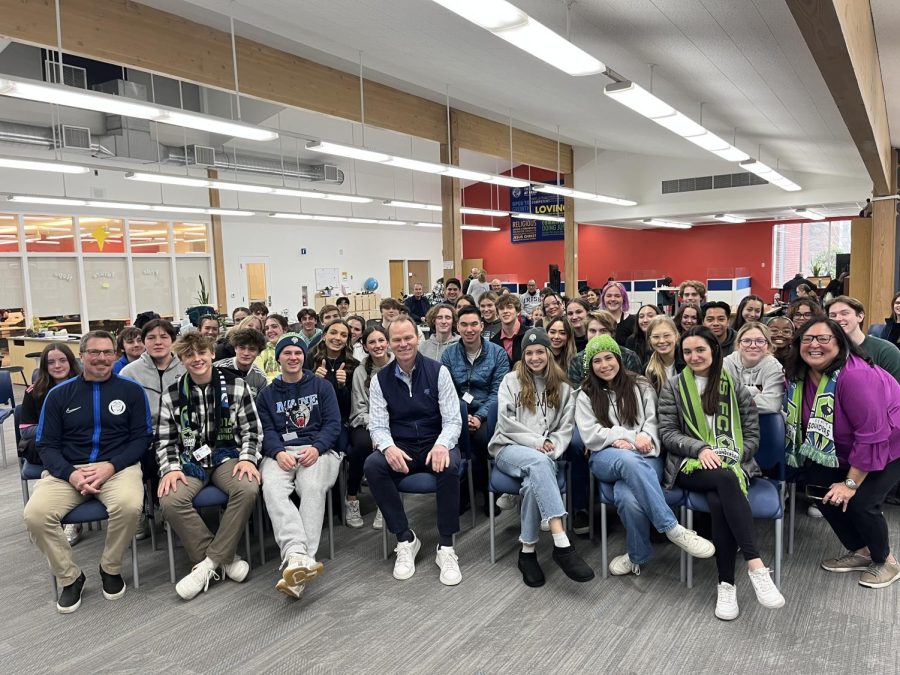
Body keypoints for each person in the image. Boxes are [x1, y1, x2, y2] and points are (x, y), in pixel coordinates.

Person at [658, 326, 785, 620]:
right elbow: (667, 433)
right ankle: (755, 563)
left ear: (714, 351)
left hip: (732, 465)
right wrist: (701, 448)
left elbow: (752, 435)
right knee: (725, 480)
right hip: (689, 465)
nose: (693, 356)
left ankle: (726, 585)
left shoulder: (735, 386)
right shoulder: (674, 387)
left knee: (720, 496)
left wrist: (733, 455)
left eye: (700, 349)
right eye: (687, 351)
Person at [24, 331, 151, 613]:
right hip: (68, 470)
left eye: (108, 352)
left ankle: (110, 567)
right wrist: (71, 474)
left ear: (115, 356)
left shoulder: (131, 391)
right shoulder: (59, 395)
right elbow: (46, 444)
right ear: (81, 355)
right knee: (35, 515)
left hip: (117, 466)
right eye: (94, 352)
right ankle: (70, 577)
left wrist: (111, 466)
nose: (102, 358)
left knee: (130, 506)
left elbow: (142, 439)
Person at [577, 335, 714, 577]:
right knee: (627, 460)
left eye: (609, 357)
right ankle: (671, 527)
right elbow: (590, 434)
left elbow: (654, 422)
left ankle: (636, 557)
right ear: (591, 367)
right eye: (597, 361)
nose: (604, 365)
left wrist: (643, 439)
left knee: (627, 496)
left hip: (646, 453)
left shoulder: (640, 385)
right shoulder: (585, 393)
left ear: (618, 358)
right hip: (605, 457)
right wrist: (628, 437)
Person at [784, 318, 900, 588]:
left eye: (823, 339)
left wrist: (849, 483)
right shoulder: (797, 375)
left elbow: (871, 435)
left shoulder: (855, 375)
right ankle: (861, 551)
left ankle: (886, 561)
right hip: (844, 447)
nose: (814, 345)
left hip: (889, 442)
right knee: (817, 487)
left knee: (861, 501)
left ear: (840, 342)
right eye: (807, 339)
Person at [155, 333, 261, 601]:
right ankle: (221, 559)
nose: (197, 359)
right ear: (181, 359)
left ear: (212, 353)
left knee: (248, 488)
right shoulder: (172, 394)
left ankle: (206, 566)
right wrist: (170, 469)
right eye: (189, 355)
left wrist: (248, 458)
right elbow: (164, 440)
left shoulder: (237, 385)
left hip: (228, 456)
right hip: (189, 462)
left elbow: (252, 430)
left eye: (202, 352)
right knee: (170, 500)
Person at [489, 328, 594, 587]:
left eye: (539, 352)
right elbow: (505, 423)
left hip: (546, 456)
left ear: (548, 353)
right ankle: (561, 543)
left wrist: (552, 448)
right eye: (529, 353)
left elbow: (566, 428)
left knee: (532, 480)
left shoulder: (564, 388)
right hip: (508, 449)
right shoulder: (510, 381)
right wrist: (538, 443)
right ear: (522, 356)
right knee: (539, 463)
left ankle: (527, 552)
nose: (534, 357)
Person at [364, 316, 464, 585]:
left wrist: (443, 444)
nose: (403, 343)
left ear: (417, 338)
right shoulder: (379, 380)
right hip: (403, 445)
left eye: (408, 337)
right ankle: (405, 539)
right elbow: (377, 424)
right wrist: (388, 447)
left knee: (450, 465)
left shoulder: (438, 371)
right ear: (389, 345)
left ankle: (446, 546)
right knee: (373, 465)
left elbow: (453, 419)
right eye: (396, 339)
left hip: (435, 440)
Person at [256, 332, 342, 599]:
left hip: (319, 450)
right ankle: (296, 554)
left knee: (311, 486)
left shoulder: (321, 387)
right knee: (271, 487)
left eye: (298, 353)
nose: (293, 357)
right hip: (281, 452)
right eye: (287, 353)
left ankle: (301, 559)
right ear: (278, 357)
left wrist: (317, 448)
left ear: (304, 357)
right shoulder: (267, 394)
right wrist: (277, 451)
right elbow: (266, 430)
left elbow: (333, 424)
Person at [442, 306, 510, 509]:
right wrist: (462, 417)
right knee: (458, 440)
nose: (469, 329)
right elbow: (446, 391)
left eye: (474, 324)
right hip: (457, 412)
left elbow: (498, 392)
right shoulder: (449, 355)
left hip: (488, 412)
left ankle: (490, 491)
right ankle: (464, 491)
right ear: (457, 327)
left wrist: (479, 417)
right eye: (464, 324)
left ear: (482, 326)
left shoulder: (497, 353)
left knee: (481, 439)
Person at [18, 343, 83, 543]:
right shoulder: (34, 392)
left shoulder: (86, 385)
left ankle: (64, 514)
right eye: (51, 362)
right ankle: (58, 515)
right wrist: (55, 430)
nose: (57, 365)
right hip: (47, 445)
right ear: (44, 366)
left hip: (80, 444)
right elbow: (25, 430)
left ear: (70, 362)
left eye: (62, 360)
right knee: (58, 454)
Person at [346, 326, 393, 529]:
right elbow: (359, 407)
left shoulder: (399, 365)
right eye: (372, 342)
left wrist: (384, 429)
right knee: (363, 445)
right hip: (365, 421)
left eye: (381, 340)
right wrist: (376, 428)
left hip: (394, 422)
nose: (377, 345)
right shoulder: (360, 371)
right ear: (365, 346)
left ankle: (385, 503)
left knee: (390, 447)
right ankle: (351, 497)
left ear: (388, 342)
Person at [121, 318, 185, 425]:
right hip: (144, 434)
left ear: (173, 341)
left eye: (164, 337)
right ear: (144, 342)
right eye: (151, 338)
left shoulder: (186, 367)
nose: (158, 342)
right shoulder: (129, 373)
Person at [826, 296, 900, 382]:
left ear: (860, 317)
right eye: (832, 315)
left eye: (844, 313)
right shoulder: (826, 350)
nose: (838, 319)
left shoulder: (886, 351)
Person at [310, 320, 360, 442]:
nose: (338, 338)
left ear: (347, 340)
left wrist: (342, 386)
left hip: (340, 420)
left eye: (343, 335)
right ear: (324, 336)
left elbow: (351, 407)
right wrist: (313, 382)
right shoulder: (309, 359)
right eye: (333, 333)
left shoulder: (353, 365)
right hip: (313, 420)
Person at [569, 311, 643, 386]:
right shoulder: (577, 360)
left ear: (612, 333)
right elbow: (577, 393)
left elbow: (635, 387)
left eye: (603, 331)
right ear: (586, 333)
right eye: (592, 331)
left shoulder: (629, 357)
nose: (597, 336)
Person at [723, 323, 784, 413]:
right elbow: (718, 398)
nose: (753, 345)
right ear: (738, 344)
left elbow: (771, 405)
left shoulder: (774, 367)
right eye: (747, 341)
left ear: (768, 345)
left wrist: (733, 399)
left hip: (767, 421)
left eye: (760, 341)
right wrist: (756, 391)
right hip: (733, 420)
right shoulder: (726, 363)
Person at [214, 327, 268, 397]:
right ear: (235, 348)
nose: (246, 353)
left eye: (252, 349)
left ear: (259, 352)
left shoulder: (261, 379)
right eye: (242, 348)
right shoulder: (217, 368)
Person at [644, 316, 682, 394]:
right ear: (649, 340)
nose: (661, 341)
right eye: (656, 337)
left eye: (667, 335)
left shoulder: (687, 363)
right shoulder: (647, 370)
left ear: (676, 336)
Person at [492, 294, 527, 366]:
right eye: (501, 308)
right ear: (498, 314)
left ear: (518, 311)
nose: (505, 311)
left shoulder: (529, 334)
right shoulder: (493, 342)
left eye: (509, 307)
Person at [599, 281, 635, 346]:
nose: (613, 299)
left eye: (617, 296)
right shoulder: (596, 320)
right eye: (609, 296)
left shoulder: (633, 321)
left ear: (623, 299)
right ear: (603, 298)